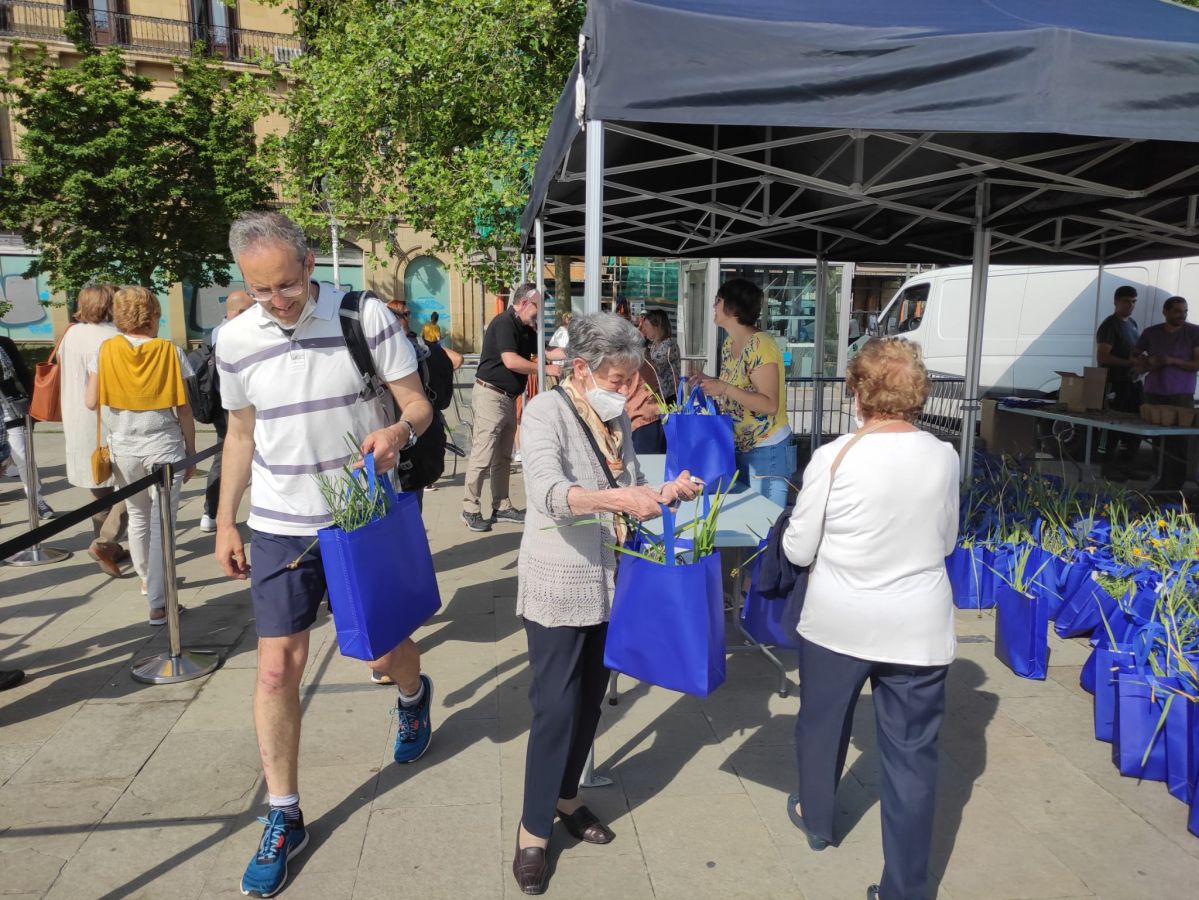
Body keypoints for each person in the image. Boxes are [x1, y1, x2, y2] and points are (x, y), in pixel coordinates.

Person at [212, 211, 435, 898]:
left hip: (359, 517)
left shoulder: (361, 316)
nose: (276, 302)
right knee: (277, 668)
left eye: (286, 284)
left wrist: (397, 431)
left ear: (308, 264)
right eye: (260, 290)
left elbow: (418, 405)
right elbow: (240, 436)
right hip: (279, 526)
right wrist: (226, 521)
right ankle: (284, 813)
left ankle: (411, 693)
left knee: (378, 651)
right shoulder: (233, 338)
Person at [513, 313, 700, 895]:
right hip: (557, 583)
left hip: (611, 582)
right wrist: (618, 497)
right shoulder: (546, 412)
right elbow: (546, 493)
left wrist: (663, 493)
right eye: (616, 380)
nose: (627, 391)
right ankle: (532, 832)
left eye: (631, 380)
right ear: (580, 370)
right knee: (554, 710)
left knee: (592, 702)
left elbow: (630, 488)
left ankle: (569, 798)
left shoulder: (614, 420)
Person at [781, 337, 959, 900]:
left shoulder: (833, 457)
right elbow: (947, 539)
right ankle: (905, 888)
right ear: (917, 393)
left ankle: (817, 817)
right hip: (918, 623)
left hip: (840, 619)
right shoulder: (945, 455)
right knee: (911, 761)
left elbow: (799, 550)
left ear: (859, 392)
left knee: (821, 722)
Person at [85, 286, 197, 623]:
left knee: (137, 516)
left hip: (124, 447)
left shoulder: (105, 351)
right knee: (164, 522)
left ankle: (149, 583)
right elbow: (185, 411)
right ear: (153, 315)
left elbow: (91, 402)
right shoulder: (169, 351)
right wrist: (191, 450)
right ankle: (160, 601)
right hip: (163, 445)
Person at [462, 283, 564, 532]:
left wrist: (575, 352)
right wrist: (546, 369)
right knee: (483, 453)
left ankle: (501, 504)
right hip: (491, 395)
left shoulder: (527, 327)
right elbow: (510, 360)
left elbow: (545, 353)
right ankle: (470, 508)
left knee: (503, 455)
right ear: (524, 303)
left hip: (507, 397)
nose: (540, 312)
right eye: (538, 306)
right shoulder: (505, 322)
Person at [695, 279, 794, 505]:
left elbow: (769, 404)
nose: (714, 306)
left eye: (718, 300)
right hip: (740, 446)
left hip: (766, 450)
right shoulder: (730, 344)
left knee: (765, 527)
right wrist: (709, 382)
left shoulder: (761, 345)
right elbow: (739, 387)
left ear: (733, 307)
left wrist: (725, 388)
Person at [60, 284, 129, 575]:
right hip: (108, 421)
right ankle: (106, 541)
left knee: (98, 487)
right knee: (133, 485)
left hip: (76, 421)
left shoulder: (71, 333)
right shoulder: (114, 338)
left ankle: (107, 547)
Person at [199, 290, 255, 533]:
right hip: (231, 405)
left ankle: (210, 512)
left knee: (223, 457)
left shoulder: (216, 332)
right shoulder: (233, 334)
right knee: (227, 457)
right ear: (241, 312)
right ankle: (212, 511)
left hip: (222, 403)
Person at [1134, 295, 1199, 491]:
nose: (1182, 315)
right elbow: (1135, 355)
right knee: (1157, 440)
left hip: (1180, 395)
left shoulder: (1194, 332)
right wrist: (1145, 364)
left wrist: (1170, 361)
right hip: (1153, 393)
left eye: (1185, 311)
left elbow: (1197, 364)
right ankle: (1161, 478)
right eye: (1178, 311)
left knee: (1179, 441)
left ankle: (1176, 482)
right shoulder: (1151, 333)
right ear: (1165, 311)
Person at [0, 333, 54, 519]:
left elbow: (22, 372)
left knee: (23, 456)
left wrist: (34, 402)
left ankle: (36, 500)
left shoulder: (4, 343)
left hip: (10, 409)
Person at [1096, 285, 1143, 480]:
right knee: (1111, 425)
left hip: (1132, 382)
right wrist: (1129, 362)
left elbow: (1133, 352)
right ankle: (1106, 467)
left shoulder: (1132, 323)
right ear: (1116, 302)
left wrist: (1141, 361)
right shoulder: (1110, 325)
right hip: (1114, 383)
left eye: (1133, 301)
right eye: (1126, 301)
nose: (1130, 305)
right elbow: (1103, 357)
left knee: (1134, 426)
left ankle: (1126, 465)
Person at [641, 308, 680, 402]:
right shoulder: (654, 345)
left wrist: (641, 349)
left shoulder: (668, 344)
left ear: (657, 326)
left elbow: (654, 368)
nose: (644, 329)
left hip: (668, 397)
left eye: (646, 325)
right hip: (657, 395)